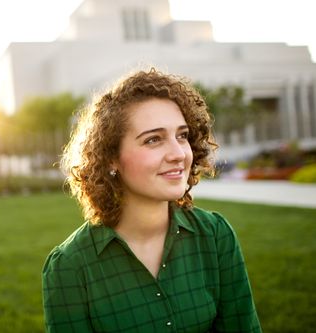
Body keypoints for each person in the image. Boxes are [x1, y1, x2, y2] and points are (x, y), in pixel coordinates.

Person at [42, 68, 262, 332]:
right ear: (111, 158)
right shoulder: (70, 267)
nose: (178, 153)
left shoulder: (215, 237)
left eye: (182, 135)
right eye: (154, 140)